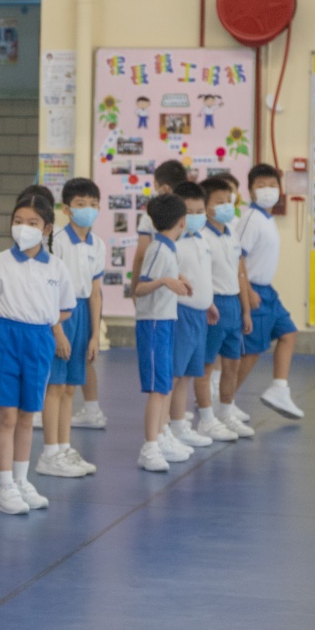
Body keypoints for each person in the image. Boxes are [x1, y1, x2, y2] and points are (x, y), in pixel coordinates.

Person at [0, 189, 73, 515]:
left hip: (39, 341)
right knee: (7, 416)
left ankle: (21, 480)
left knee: (28, 415)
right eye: (18, 220)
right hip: (4, 338)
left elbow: (66, 308)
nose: (23, 227)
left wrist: (48, 320)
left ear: (47, 229)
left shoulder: (56, 267)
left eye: (32, 222)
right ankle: (4, 486)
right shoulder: (0, 263)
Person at [38, 178, 103, 478]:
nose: (87, 209)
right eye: (80, 204)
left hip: (83, 314)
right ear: (66, 209)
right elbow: (49, 289)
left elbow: (96, 292)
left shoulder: (98, 244)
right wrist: (58, 330)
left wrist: (95, 335)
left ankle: (64, 448)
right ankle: (49, 452)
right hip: (60, 314)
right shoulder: (56, 241)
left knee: (70, 387)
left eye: (92, 204)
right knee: (55, 385)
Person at [232, 164, 304, 419]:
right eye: (261, 186)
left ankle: (279, 389)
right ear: (251, 191)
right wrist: (247, 291)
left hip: (267, 291)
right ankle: (224, 401)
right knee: (251, 352)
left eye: (272, 185)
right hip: (252, 290)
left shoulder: (267, 218)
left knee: (288, 333)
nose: (268, 190)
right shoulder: (251, 219)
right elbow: (237, 257)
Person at [131, 193, 191, 473]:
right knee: (158, 387)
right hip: (153, 323)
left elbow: (162, 277)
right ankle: (150, 447)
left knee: (165, 384)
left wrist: (177, 279)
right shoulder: (157, 249)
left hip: (166, 321)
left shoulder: (169, 248)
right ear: (182, 221)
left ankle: (161, 435)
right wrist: (166, 281)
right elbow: (140, 288)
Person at [167, 184, 221, 452]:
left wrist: (208, 302)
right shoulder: (174, 243)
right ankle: (163, 430)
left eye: (200, 211)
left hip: (200, 314)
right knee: (175, 375)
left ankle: (179, 426)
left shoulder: (202, 239)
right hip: (181, 314)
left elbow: (202, 275)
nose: (196, 216)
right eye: (189, 212)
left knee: (187, 374)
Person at [195, 177, 248, 442]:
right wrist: (208, 303)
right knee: (205, 366)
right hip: (213, 305)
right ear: (206, 207)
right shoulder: (201, 237)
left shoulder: (232, 233)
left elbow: (240, 274)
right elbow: (198, 276)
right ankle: (206, 420)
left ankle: (226, 412)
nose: (227, 206)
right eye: (219, 202)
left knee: (232, 364)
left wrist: (245, 310)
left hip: (233, 304)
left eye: (229, 200)